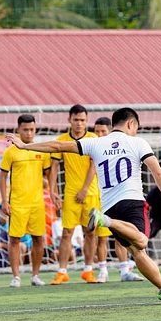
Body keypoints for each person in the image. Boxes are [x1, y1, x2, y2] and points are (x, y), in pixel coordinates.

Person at [7, 107, 161, 304]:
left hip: (109, 205)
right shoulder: (138, 142)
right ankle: (106, 221)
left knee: (136, 251)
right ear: (131, 124)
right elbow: (158, 173)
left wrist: (24, 146)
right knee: (141, 241)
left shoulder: (95, 143)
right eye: (136, 128)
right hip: (131, 202)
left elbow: (57, 147)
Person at [48, 104, 102, 285]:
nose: (79, 123)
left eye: (82, 120)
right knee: (66, 232)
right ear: (69, 120)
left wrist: (85, 188)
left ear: (87, 121)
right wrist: (53, 191)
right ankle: (62, 271)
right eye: (76, 120)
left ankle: (88, 270)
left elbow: (94, 165)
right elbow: (54, 168)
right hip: (70, 192)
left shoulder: (93, 138)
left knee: (90, 232)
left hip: (90, 191)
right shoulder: (62, 140)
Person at [0, 114, 50, 288]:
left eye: (32, 129)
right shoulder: (10, 152)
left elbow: (49, 175)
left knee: (38, 239)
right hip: (17, 203)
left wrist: (52, 193)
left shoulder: (41, 150)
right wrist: (4, 201)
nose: (29, 133)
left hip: (37, 203)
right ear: (18, 129)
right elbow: (3, 177)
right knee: (14, 239)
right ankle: (16, 276)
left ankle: (35, 275)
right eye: (25, 129)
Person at [92, 116, 143, 282]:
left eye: (102, 131)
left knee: (120, 235)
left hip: (116, 197)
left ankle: (124, 270)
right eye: (97, 131)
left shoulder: (116, 146)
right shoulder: (96, 146)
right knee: (101, 236)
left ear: (110, 131)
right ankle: (102, 270)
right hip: (102, 197)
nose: (99, 134)